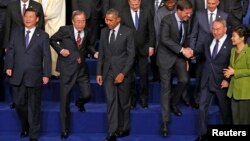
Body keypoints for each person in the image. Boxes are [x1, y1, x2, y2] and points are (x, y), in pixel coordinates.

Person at [4, 8, 51, 141]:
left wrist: (46, 73)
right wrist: (8, 65)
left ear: (37, 19)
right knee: (19, 104)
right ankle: (25, 126)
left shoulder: (43, 35)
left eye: (31, 17)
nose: (28, 19)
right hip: (17, 74)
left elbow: (46, 57)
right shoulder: (15, 33)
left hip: (35, 75)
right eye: (26, 16)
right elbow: (11, 51)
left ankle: (33, 134)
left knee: (34, 107)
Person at [50, 10, 98, 139]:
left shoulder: (87, 32)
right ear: (72, 21)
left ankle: (79, 103)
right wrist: (60, 50)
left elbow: (88, 46)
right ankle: (64, 129)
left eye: (83, 21)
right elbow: (52, 39)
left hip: (81, 69)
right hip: (67, 69)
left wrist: (94, 53)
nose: (81, 24)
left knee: (87, 94)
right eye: (78, 21)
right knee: (64, 101)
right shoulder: (65, 30)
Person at [96, 8, 135, 141]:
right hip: (108, 72)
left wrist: (123, 73)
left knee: (123, 103)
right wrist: (99, 72)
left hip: (123, 73)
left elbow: (131, 56)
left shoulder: (128, 32)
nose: (107, 22)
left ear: (118, 19)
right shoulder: (103, 32)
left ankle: (124, 128)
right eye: (106, 19)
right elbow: (101, 53)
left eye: (110, 20)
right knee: (111, 101)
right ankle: (112, 132)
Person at [156, 0, 193, 136]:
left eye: (190, 13)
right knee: (166, 88)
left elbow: (186, 38)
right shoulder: (167, 20)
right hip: (166, 57)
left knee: (184, 80)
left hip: (179, 57)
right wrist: (182, 50)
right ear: (179, 10)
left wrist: (186, 56)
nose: (188, 16)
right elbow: (164, 39)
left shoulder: (187, 21)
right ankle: (165, 123)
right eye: (186, 13)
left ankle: (173, 102)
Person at [194, 18, 232, 141]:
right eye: (213, 29)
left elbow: (234, 64)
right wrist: (189, 54)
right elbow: (199, 51)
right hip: (206, 79)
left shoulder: (231, 43)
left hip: (222, 82)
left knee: (225, 111)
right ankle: (203, 134)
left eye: (218, 29)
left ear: (225, 29)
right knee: (202, 108)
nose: (215, 32)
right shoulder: (208, 38)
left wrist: (229, 80)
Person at [3, 0, 45, 109]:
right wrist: (7, 45)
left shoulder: (37, 6)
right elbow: (8, 26)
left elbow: (40, 26)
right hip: (16, 44)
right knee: (17, 76)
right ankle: (18, 102)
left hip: (32, 46)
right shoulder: (11, 5)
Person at [189, 0, 228, 109]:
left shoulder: (224, 16)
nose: (210, 6)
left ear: (218, 3)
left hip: (216, 54)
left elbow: (226, 37)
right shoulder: (199, 14)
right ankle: (197, 100)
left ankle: (214, 101)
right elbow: (193, 34)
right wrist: (192, 50)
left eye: (213, 3)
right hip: (200, 53)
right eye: (209, 3)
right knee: (199, 78)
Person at [120, 0, 155, 109]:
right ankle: (133, 99)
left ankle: (144, 99)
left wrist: (151, 46)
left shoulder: (147, 11)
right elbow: (121, 32)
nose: (135, 6)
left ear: (140, 2)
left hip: (143, 49)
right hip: (129, 51)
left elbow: (151, 30)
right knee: (130, 77)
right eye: (132, 4)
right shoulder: (123, 13)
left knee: (144, 75)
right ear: (129, 3)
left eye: (137, 4)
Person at [224, 25, 250, 125]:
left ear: (242, 38)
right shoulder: (233, 50)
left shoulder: (248, 52)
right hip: (233, 91)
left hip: (245, 92)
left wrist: (235, 72)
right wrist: (227, 77)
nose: (231, 38)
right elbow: (231, 66)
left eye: (234, 36)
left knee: (244, 121)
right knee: (235, 120)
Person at [34, 0, 66, 79]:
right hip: (39, 24)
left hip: (54, 24)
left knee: (52, 48)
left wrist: (37, 17)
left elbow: (53, 12)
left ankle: (53, 72)